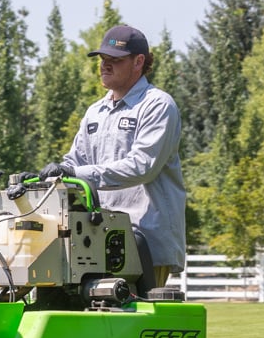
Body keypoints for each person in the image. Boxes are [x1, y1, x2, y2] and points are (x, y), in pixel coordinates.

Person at [32, 24, 186, 286]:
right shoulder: (95, 111)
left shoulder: (158, 105)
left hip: (145, 240)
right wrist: (47, 177)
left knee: (139, 322)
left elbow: (142, 167)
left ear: (139, 62)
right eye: (103, 60)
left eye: (115, 60)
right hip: (98, 239)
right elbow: (75, 163)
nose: (105, 66)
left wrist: (75, 173)